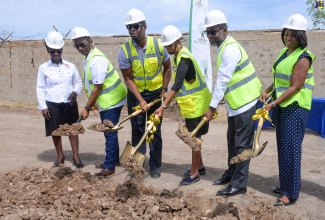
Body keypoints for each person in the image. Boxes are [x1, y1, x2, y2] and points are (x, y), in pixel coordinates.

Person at [203, 10, 262, 196]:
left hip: (246, 101)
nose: (210, 36)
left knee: (242, 145)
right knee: (232, 142)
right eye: (208, 32)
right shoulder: (222, 47)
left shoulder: (230, 49)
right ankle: (231, 173)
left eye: (214, 31)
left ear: (224, 29)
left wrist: (211, 108)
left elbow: (222, 81)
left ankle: (239, 184)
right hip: (236, 104)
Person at [260, 14, 315, 206]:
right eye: (286, 33)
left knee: (291, 149)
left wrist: (272, 104)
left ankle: (290, 193)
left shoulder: (303, 57)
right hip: (283, 106)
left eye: (292, 34)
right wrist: (267, 91)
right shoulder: (286, 53)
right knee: (283, 147)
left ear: (301, 36)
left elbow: (295, 87)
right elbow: (281, 81)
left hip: (295, 107)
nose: (288, 37)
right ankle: (285, 185)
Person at [154, 25, 211, 185]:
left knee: (194, 139)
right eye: (166, 46)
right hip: (193, 103)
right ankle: (199, 166)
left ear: (178, 42)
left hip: (197, 104)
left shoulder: (184, 58)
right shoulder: (178, 56)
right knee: (195, 137)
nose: (167, 49)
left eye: (169, 46)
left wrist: (163, 106)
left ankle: (194, 173)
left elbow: (178, 84)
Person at [118, 8, 171, 178]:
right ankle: (137, 166)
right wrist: (140, 99)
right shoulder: (124, 51)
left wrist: (163, 89)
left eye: (135, 26)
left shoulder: (157, 45)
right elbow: (128, 79)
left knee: (154, 129)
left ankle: (155, 166)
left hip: (156, 94)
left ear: (144, 26)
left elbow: (168, 67)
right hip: (135, 95)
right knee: (138, 130)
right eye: (129, 27)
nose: (132, 30)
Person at [71, 27, 127, 176]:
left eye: (82, 44)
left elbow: (97, 88)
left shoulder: (96, 60)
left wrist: (87, 108)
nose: (80, 48)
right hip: (106, 100)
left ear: (90, 41)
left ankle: (109, 167)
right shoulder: (87, 57)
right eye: (76, 45)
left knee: (109, 132)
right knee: (110, 130)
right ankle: (113, 160)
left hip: (112, 100)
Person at [36, 31, 83, 168]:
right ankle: (60, 156)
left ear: (62, 50)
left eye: (58, 51)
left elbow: (78, 82)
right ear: (47, 50)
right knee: (55, 131)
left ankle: (76, 157)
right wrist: (43, 106)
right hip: (52, 105)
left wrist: (75, 92)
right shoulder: (43, 68)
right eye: (52, 52)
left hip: (70, 104)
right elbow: (41, 88)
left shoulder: (70, 66)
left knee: (72, 130)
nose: (56, 54)